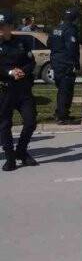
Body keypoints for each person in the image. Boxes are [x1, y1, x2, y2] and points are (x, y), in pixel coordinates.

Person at [0, 15, 37, 170]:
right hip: (5, 90)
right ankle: (10, 157)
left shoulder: (22, 42)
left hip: (23, 89)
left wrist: (22, 71)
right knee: (4, 124)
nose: (1, 29)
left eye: (3, 25)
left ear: (10, 26)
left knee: (30, 122)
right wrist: (10, 72)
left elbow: (31, 62)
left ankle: (21, 151)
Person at [49, 7, 80, 125]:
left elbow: (48, 43)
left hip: (56, 62)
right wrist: (75, 64)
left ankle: (60, 113)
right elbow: (72, 48)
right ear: (75, 19)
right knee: (66, 91)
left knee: (61, 90)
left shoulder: (56, 29)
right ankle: (63, 116)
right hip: (66, 64)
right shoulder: (70, 29)